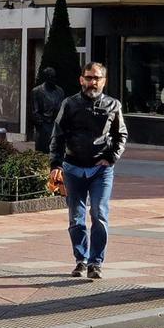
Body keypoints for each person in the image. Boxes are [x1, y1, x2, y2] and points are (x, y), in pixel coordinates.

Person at [49, 62, 128, 279]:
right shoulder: (70, 104)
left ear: (104, 81)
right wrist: (55, 164)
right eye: (89, 77)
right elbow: (58, 135)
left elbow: (121, 135)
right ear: (81, 79)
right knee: (76, 218)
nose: (92, 82)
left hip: (100, 170)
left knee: (99, 214)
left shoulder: (113, 105)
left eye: (97, 78)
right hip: (73, 168)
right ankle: (81, 260)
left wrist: (111, 157)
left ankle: (96, 263)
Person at [31, 67, 65, 153]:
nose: (54, 79)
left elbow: (63, 109)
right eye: (51, 77)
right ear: (46, 78)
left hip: (57, 126)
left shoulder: (60, 91)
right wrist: (44, 127)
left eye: (55, 77)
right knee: (43, 153)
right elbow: (35, 113)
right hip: (44, 127)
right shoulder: (37, 91)